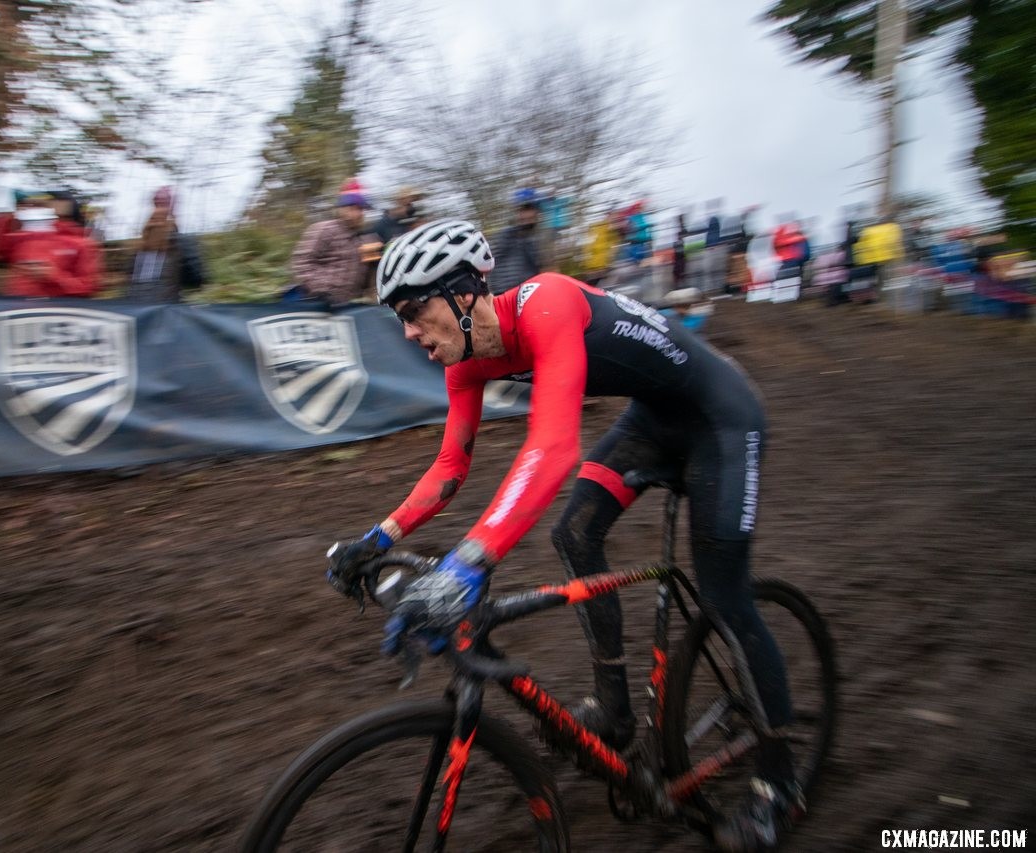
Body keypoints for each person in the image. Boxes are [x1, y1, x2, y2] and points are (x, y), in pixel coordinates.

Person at [327, 219, 801, 853]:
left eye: (415, 311)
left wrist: (468, 564)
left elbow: (552, 448)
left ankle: (780, 783)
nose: (409, 332)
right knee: (575, 536)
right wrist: (376, 539)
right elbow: (450, 468)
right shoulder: (465, 361)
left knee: (725, 597)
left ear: (465, 293)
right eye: (400, 318)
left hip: (722, 420)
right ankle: (614, 710)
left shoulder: (547, 301)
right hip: (655, 420)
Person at [0, 196, 103, 298]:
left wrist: (54, 275)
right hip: (17, 309)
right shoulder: (22, 238)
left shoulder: (81, 245)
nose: (34, 209)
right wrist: (10, 216)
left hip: (57, 312)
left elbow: (88, 288)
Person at [287, 178, 372, 306]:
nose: (358, 213)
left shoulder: (364, 238)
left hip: (349, 306)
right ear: (342, 208)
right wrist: (321, 290)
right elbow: (301, 262)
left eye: (361, 209)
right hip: (319, 303)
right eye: (353, 208)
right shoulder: (324, 230)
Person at [127, 186, 207, 303]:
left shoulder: (139, 244)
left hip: (137, 308)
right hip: (165, 308)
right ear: (173, 206)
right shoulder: (182, 242)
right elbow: (196, 278)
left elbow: (129, 279)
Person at [487, 187, 544, 295]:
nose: (529, 214)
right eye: (524, 210)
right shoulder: (506, 236)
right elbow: (491, 264)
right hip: (507, 296)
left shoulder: (532, 239)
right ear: (518, 212)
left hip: (529, 294)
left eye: (532, 209)